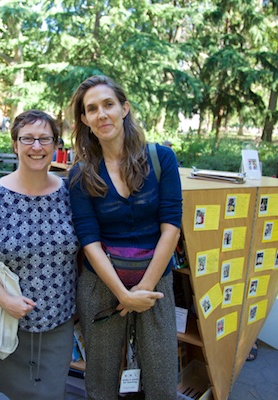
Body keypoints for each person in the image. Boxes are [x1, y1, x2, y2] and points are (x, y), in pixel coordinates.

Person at [67, 75, 182, 399]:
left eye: (108, 104)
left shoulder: (161, 159)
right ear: (85, 120)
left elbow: (171, 227)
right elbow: (88, 240)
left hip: (155, 284)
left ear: (124, 108)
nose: (102, 114)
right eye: (92, 109)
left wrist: (142, 290)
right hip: (101, 286)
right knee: (101, 381)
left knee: (161, 382)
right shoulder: (80, 173)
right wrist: (123, 294)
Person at [0, 110, 79, 400]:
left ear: (56, 144)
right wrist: (6, 300)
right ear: (15, 144)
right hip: (8, 321)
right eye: (27, 138)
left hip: (59, 320)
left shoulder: (71, 193)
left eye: (45, 138)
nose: (37, 146)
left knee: (53, 394)